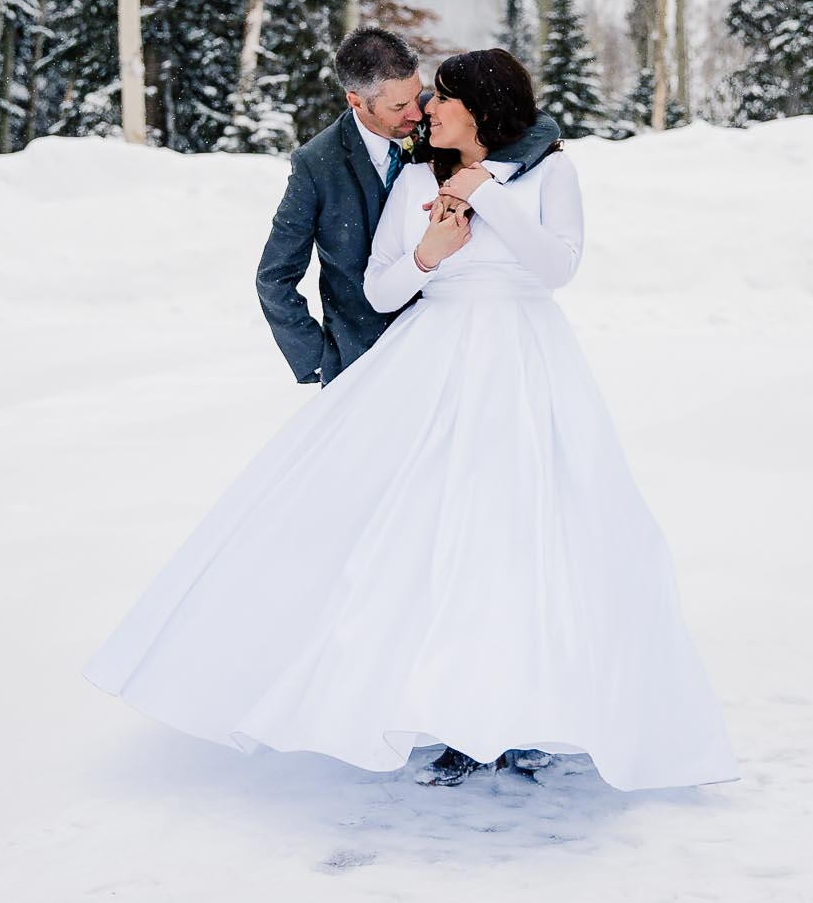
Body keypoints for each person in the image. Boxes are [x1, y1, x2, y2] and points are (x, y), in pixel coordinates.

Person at [82, 47, 739, 792]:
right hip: (435, 366)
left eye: (443, 98)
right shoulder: (417, 180)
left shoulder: (553, 171)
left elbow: (558, 267)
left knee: (531, 537)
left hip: (529, 368)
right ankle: (448, 715)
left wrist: (486, 195)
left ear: (481, 107)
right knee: (437, 540)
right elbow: (384, 289)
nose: (427, 109)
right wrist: (428, 252)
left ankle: (532, 713)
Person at [254, 27, 559, 386]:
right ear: (356, 101)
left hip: (444, 349)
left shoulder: (435, 116)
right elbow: (274, 277)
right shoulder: (317, 164)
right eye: (399, 106)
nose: (417, 114)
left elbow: (539, 126)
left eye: (417, 95)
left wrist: (483, 176)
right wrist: (316, 359)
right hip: (362, 357)